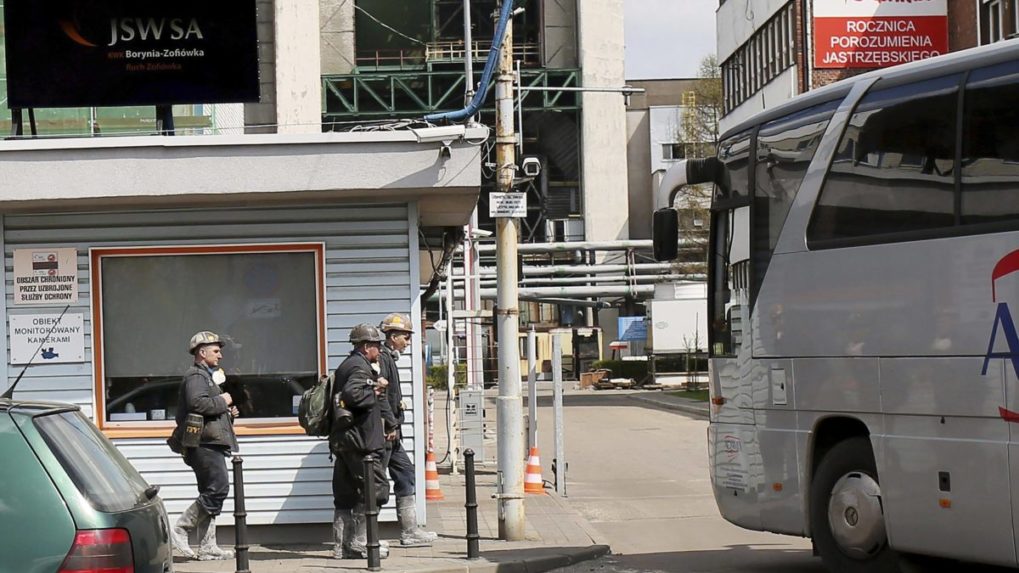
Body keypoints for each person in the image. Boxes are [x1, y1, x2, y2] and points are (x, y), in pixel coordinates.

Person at [169, 331, 239, 561]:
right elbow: (197, 403)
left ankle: (208, 546)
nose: (220, 355)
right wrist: (223, 401)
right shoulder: (196, 376)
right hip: (203, 444)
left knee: (208, 491)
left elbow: (208, 408)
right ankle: (180, 529)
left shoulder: (206, 376)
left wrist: (228, 413)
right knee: (218, 488)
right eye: (216, 351)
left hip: (208, 441)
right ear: (202, 352)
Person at [330, 323, 391, 559]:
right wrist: (376, 390)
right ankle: (361, 542)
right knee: (376, 490)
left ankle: (341, 547)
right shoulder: (359, 366)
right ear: (366, 347)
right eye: (377, 345)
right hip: (360, 441)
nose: (380, 350)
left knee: (345, 494)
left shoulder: (348, 364)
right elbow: (353, 395)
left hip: (345, 440)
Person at [378, 313, 438, 546]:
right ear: (392, 337)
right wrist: (391, 424)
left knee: (405, 473)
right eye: (405, 337)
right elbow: (379, 395)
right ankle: (365, 538)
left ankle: (410, 531)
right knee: (376, 482)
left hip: (392, 434)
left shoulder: (388, 358)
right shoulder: (383, 359)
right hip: (385, 433)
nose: (408, 341)